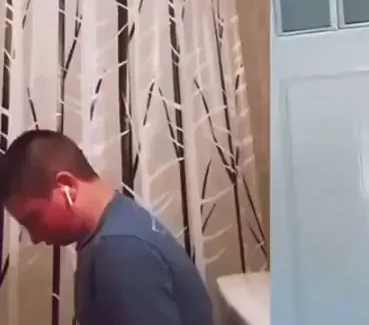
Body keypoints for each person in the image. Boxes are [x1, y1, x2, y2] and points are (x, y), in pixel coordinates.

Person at [0, 129, 213, 325]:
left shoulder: (121, 249)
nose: (35, 237)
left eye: (33, 219)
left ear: (67, 187)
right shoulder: (116, 223)